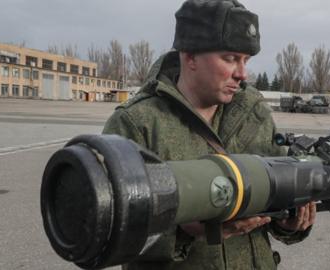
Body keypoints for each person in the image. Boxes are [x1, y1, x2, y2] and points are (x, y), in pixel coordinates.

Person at [103, 0, 316, 269]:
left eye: (246, 60)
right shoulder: (138, 123)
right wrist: (186, 231)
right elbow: (111, 230)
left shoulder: (254, 112)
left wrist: (289, 223)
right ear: (190, 56)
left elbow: (276, 197)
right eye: (230, 58)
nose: (242, 73)